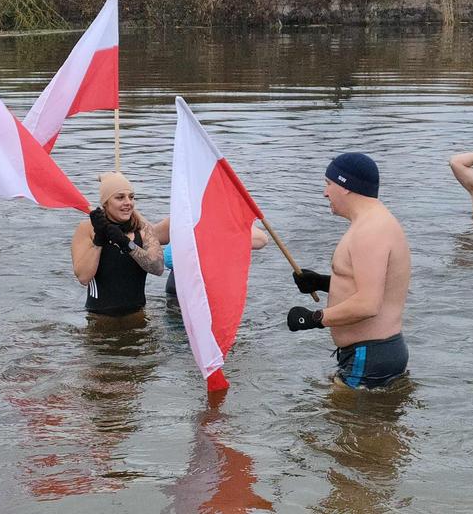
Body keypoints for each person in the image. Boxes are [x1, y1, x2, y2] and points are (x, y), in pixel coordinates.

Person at [287, 153, 410, 390]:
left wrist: (313, 319)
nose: (325, 193)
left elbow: (368, 304)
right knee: (363, 424)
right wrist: (322, 283)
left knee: (346, 425)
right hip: (375, 352)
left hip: (368, 354)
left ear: (344, 186)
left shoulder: (370, 231)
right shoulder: (375, 223)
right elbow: (374, 287)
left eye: (328, 184)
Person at [71, 172, 164, 317]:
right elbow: (83, 277)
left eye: (131, 197)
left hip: (137, 317)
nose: (128, 202)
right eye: (120, 197)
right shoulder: (87, 228)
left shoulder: (142, 229)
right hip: (99, 318)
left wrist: (126, 243)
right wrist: (99, 240)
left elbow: (158, 268)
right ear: (105, 203)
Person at [152, 217, 269, 296]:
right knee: (174, 330)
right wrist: (134, 216)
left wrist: (217, 236)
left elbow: (262, 240)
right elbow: (148, 235)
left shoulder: (228, 220)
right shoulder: (181, 217)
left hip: (212, 291)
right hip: (177, 290)